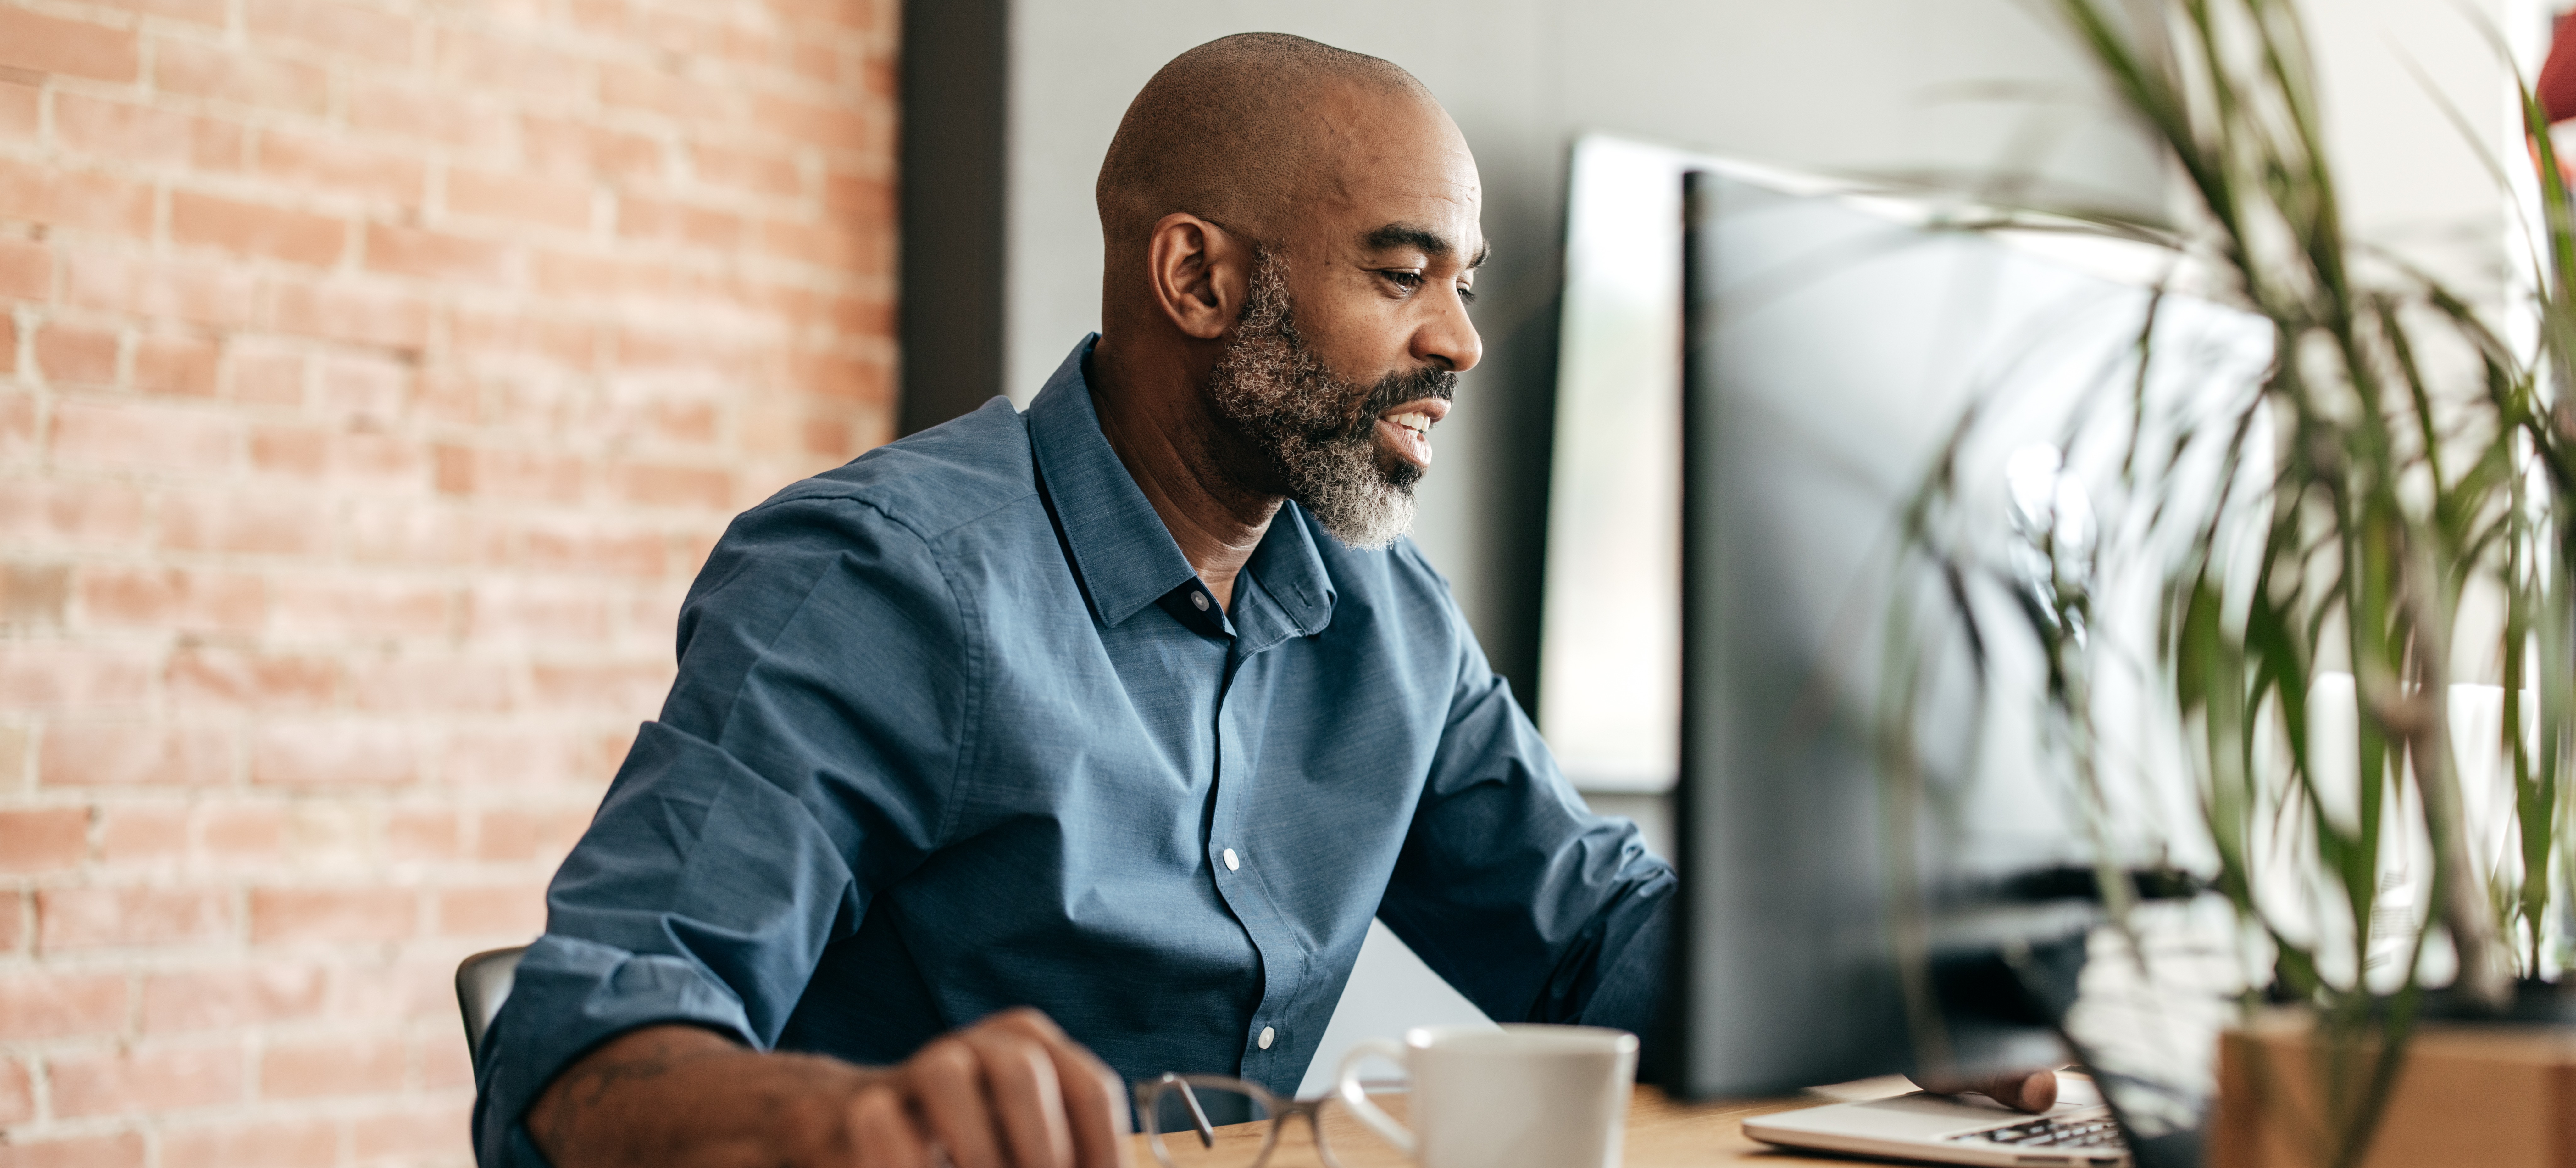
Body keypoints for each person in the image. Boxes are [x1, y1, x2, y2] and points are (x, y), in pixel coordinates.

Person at [472, 33, 2053, 1168]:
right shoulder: (880, 579)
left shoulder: (1384, 617)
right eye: (1399, 269)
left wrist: (1911, 993)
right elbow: (583, 1041)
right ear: (1198, 279)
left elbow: (1586, 939)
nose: (1461, 339)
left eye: (1467, 279)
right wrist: (844, 1120)